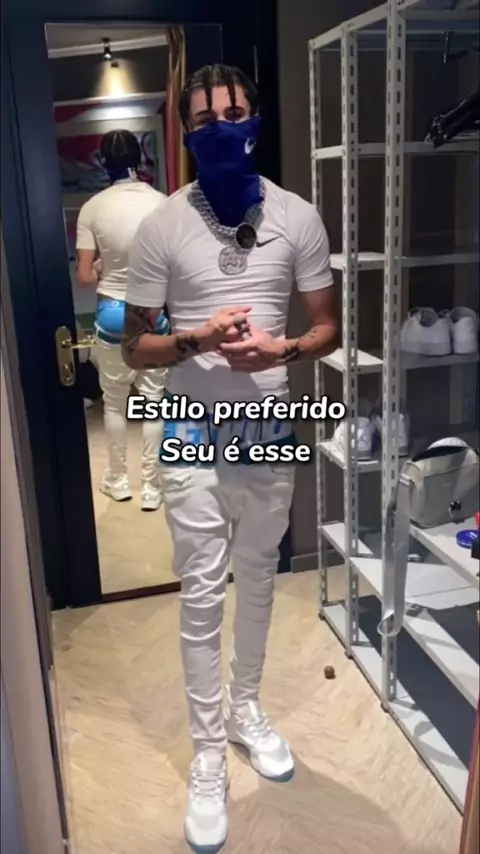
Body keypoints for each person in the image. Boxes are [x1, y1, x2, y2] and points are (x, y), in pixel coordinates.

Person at [123, 65, 338, 850]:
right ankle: (208, 752)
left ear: (256, 117)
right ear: (185, 130)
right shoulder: (162, 225)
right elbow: (134, 345)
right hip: (189, 424)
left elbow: (327, 327)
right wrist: (195, 338)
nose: (222, 127)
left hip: (267, 423)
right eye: (205, 119)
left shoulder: (297, 217)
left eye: (235, 112)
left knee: (258, 576)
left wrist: (284, 348)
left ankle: (246, 707)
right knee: (201, 591)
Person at [76, 129, 169, 511]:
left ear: (103, 162)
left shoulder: (92, 207)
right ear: (139, 159)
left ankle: (118, 481)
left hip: (112, 313)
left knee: (114, 404)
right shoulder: (162, 202)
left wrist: (101, 266)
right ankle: (152, 487)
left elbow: (85, 276)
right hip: (152, 312)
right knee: (154, 403)